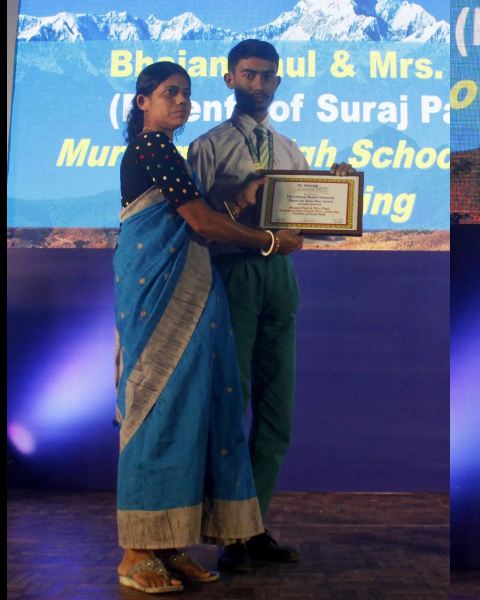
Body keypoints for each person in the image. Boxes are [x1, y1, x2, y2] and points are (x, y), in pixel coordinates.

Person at [114, 61, 303, 594]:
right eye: (169, 93)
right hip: (159, 296)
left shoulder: (168, 152)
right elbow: (196, 222)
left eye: (186, 94)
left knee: (190, 412)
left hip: (188, 295)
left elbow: (192, 211)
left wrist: (242, 199)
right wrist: (264, 240)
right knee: (158, 410)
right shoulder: (152, 147)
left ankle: (169, 546)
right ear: (142, 100)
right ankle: (135, 554)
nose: (180, 102)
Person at [187, 39, 356, 572]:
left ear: (278, 83)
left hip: (279, 282)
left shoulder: (289, 150)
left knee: (277, 415)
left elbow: (309, 230)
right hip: (231, 278)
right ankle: (229, 533)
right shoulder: (207, 147)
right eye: (248, 75)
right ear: (230, 78)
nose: (257, 84)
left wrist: (339, 195)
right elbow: (191, 225)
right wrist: (236, 207)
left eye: (266, 76)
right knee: (230, 412)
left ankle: (254, 526)